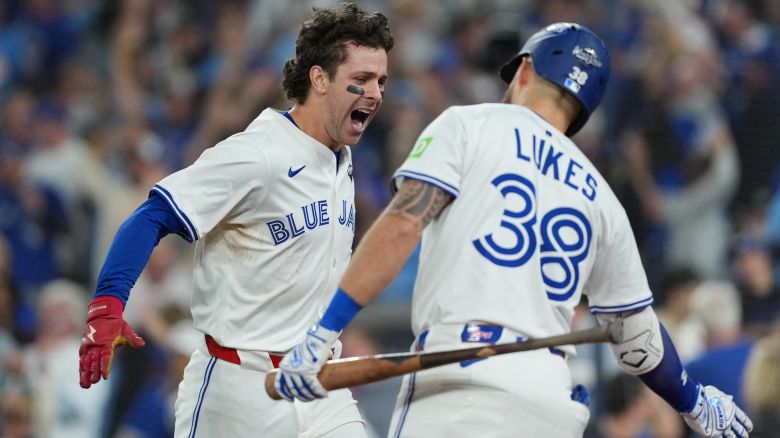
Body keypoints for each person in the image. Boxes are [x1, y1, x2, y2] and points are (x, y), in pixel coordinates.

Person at [275, 23, 753, 438]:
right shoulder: (603, 198)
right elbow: (639, 336)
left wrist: (323, 332)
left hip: (458, 388)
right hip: (551, 399)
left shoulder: (471, 124)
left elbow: (402, 224)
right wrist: (693, 401)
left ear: (524, 70)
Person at [77, 3, 393, 437]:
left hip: (318, 380)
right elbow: (151, 216)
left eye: (381, 81)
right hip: (240, 389)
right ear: (319, 79)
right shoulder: (257, 154)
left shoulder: (341, 155)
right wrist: (108, 304)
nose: (375, 93)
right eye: (361, 81)